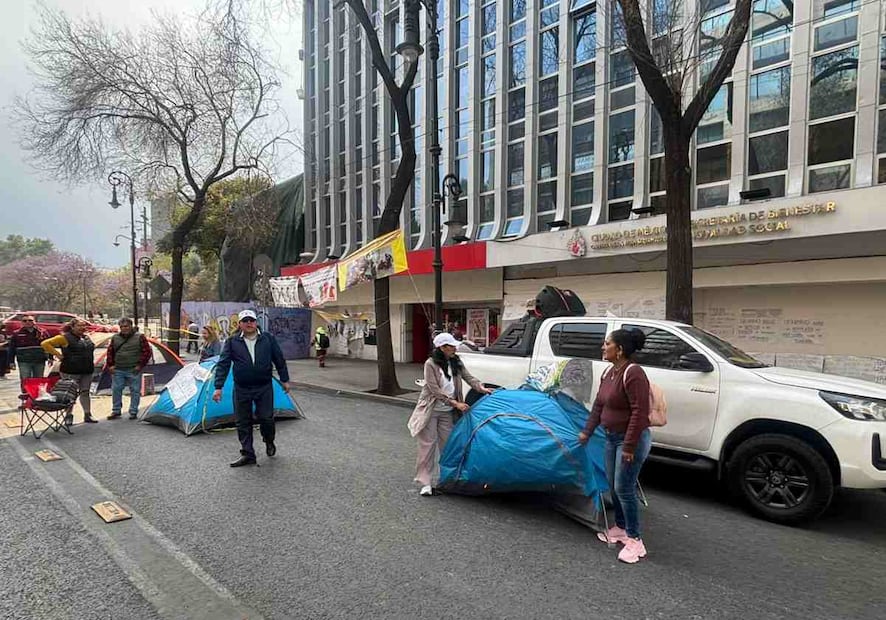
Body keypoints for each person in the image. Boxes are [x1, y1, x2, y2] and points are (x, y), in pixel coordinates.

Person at [578, 328, 652, 564]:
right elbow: (599, 406)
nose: (603, 347)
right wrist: (587, 432)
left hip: (630, 441)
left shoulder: (633, 373)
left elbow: (640, 413)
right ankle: (620, 527)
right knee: (613, 484)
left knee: (624, 488)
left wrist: (629, 447)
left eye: (607, 343)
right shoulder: (609, 372)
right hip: (611, 438)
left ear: (619, 349)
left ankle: (635, 540)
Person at [407, 332, 493, 496]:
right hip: (431, 410)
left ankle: (447, 478)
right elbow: (434, 390)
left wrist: (481, 388)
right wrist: (455, 403)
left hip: (447, 413)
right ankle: (425, 482)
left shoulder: (456, 361)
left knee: (449, 446)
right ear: (442, 348)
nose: (455, 348)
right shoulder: (430, 364)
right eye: (451, 346)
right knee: (427, 446)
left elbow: (468, 377)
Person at [213, 310, 292, 467]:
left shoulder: (267, 338)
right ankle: (248, 454)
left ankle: (269, 440)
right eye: (245, 320)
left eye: (252, 320)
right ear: (240, 324)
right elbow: (223, 364)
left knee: (266, 418)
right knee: (242, 421)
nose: (249, 323)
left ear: (256, 322)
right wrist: (218, 387)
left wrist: (284, 379)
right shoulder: (232, 341)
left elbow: (279, 359)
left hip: (264, 386)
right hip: (242, 388)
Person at [41, 318, 98, 424]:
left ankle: (87, 414)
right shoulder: (64, 338)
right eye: (79, 325)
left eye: (84, 325)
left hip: (87, 370)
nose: (82, 327)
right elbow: (45, 344)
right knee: (69, 394)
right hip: (70, 370)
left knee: (85, 392)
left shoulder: (86, 337)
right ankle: (68, 416)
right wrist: (58, 355)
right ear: (72, 327)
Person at [106, 318, 151, 420]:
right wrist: (110, 365)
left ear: (131, 326)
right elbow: (110, 352)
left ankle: (133, 411)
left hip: (133, 369)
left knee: (135, 391)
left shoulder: (140, 337)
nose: (124, 328)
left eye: (126, 326)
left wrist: (140, 365)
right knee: (116, 389)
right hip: (118, 369)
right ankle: (116, 410)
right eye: (121, 327)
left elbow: (147, 352)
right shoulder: (115, 338)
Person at [9, 315, 50, 381]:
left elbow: (49, 346)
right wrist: (11, 361)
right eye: (25, 321)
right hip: (24, 361)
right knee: (25, 380)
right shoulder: (16, 333)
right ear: (22, 322)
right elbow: (11, 349)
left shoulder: (43, 332)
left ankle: (36, 388)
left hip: (39, 360)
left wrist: (51, 358)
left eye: (30, 320)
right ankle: (25, 388)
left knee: (38, 380)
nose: (27, 322)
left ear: (35, 321)